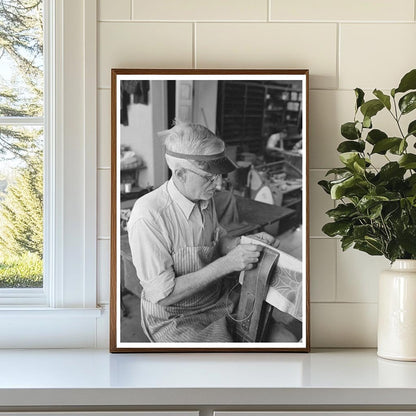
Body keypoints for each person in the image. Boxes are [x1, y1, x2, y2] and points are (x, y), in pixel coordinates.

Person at [127, 122, 278, 343]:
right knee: (222, 368)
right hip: (175, 316)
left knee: (284, 336)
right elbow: (164, 296)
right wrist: (229, 263)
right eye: (209, 177)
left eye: (218, 175)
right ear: (180, 174)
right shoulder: (148, 215)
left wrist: (241, 244)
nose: (217, 184)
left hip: (215, 299)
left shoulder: (203, 197)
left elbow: (217, 239)